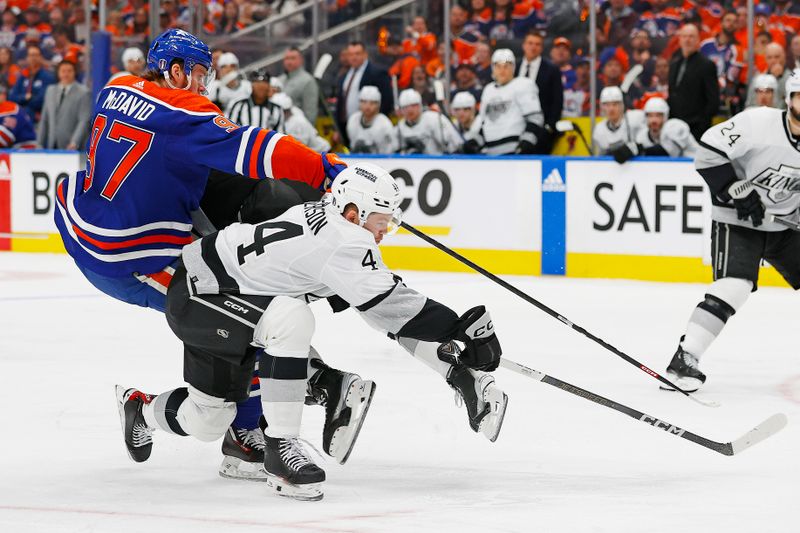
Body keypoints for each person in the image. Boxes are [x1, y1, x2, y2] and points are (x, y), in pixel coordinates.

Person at [52, 28, 349, 481]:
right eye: (197, 73)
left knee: (239, 309)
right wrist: (331, 172)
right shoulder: (182, 109)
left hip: (90, 223)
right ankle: (245, 431)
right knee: (241, 314)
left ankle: (243, 420)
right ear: (174, 71)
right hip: (130, 255)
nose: (203, 85)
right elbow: (261, 150)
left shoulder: (116, 85)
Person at [116, 162, 508, 501]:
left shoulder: (329, 221)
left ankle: (142, 409)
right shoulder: (345, 242)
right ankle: (281, 448)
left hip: (217, 293)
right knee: (290, 318)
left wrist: (455, 367)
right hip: (202, 295)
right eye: (381, 220)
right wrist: (463, 330)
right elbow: (396, 309)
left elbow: (389, 312)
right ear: (354, 212)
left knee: (208, 420)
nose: (385, 230)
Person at [662, 73, 800, 393]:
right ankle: (685, 356)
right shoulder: (759, 123)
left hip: (783, 224)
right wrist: (732, 188)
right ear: (789, 97)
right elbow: (708, 151)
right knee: (735, 286)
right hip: (738, 220)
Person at [464, 48, 544, 156]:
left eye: (506, 66)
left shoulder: (523, 85)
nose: (502, 70)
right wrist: (474, 141)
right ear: (493, 68)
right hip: (489, 153)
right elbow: (483, 122)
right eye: (498, 66)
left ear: (513, 67)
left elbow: (536, 118)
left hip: (514, 151)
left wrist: (527, 142)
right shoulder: (488, 90)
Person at [667, 24, 719, 140]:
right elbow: (672, 94)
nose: (687, 40)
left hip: (696, 130)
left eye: (691, 36)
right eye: (684, 36)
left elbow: (713, 102)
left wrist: (702, 126)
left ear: (698, 40)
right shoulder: (674, 64)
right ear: (679, 40)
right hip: (675, 127)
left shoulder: (706, 65)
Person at [335, 41, 393, 144]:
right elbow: (341, 102)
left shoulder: (377, 73)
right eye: (351, 54)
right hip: (347, 126)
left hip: (370, 128)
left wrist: (374, 124)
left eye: (357, 54)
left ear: (365, 54)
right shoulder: (344, 75)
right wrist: (338, 128)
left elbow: (387, 101)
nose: (354, 57)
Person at [516, 31, 562, 154]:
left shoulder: (551, 70)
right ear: (524, 45)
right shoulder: (514, 66)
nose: (533, 47)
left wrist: (549, 128)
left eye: (537, 44)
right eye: (530, 43)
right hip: (515, 129)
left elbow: (557, 101)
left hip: (541, 132)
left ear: (541, 48)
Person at [37, 60, 91, 150]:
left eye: (69, 71)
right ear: (58, 73)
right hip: (52, 143)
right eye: (63, 71)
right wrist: (39, 143)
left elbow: (83, 120)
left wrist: (74, 142)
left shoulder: (83, 92)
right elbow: (44, 119)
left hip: (72, 146)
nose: (66, 74)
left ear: (75, 72)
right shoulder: (50, 90)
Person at [395, 88, 462, 155]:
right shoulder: (399, 128)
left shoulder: (435, 119)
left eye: (413, 105)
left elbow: (453, 146)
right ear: (401, 110)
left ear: (420, 105)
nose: (409, 110)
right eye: (405, 107)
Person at [633, 96, 698, 159]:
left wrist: (638, 149)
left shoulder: (675, 126)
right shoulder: (642, 136)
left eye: (658, 115)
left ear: (665, 116)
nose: (654, 120)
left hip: (697, 167)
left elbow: (667, 152)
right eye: (650, 116)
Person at [592, 86, 645, 160]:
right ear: (602, 107)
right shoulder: (599, 129)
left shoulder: (635, 119)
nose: (611, 109)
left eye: (615, 104)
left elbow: (645, 144)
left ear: (622, 105)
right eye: (607, 105)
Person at [9, 44, 53, 121]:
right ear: (27, 58)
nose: (33, 58)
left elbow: (40, 101)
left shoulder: (47, 77)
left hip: (38, 118)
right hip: (21, 117)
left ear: (40, 57)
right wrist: (25, 97)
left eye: (36, 55)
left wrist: (22, 102)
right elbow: (12, 97)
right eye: (31, 55)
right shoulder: (23, 76)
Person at [346, 85, 395, 154]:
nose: (367, 106)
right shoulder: (353, 120)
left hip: (381, 162)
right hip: (357, 161)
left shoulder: (385, 124)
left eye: (372, 103)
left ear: (378, 104)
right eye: (364, 102)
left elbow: (391, 150)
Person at [278, 47, 318, 124]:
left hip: (297, 129)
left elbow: (310, 113)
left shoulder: (308, 81)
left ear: (301, 60)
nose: (289, 62)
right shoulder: (279, 80)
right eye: (286, 58)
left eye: (293, 58)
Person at [0, 84, 36, 148]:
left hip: (26, 149)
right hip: (16, 149)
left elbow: (4, 138)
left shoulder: (10, 108)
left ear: (4, 95)